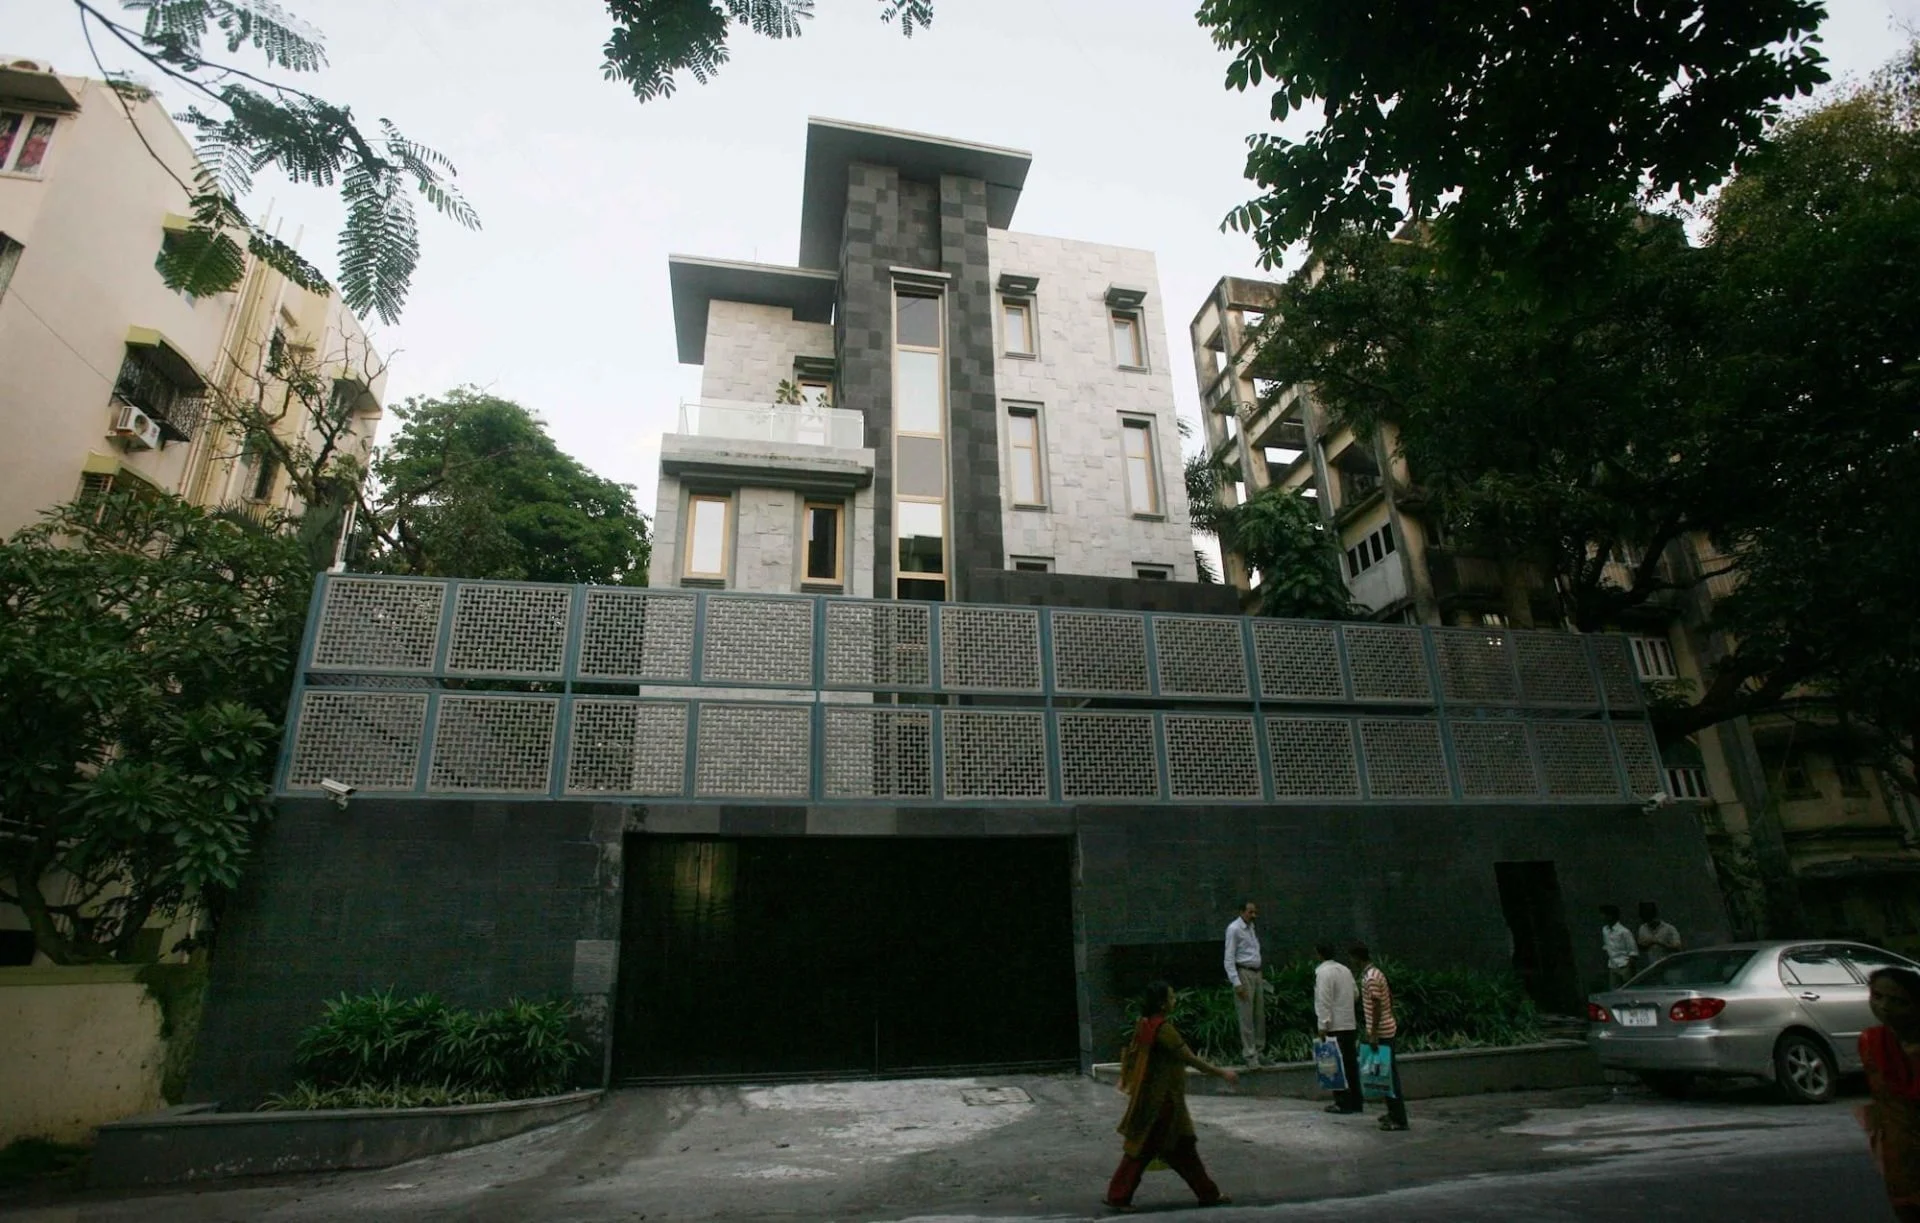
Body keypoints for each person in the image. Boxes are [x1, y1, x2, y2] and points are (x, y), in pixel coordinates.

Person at [1106, 980, 1237, 1212]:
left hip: (1154, 1099)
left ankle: (1207, 1193)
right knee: (1146, 1149)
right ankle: (1118, 1197)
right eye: (1171, 997)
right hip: (1163, 1103)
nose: (1174, 1000)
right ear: (1162, 1004)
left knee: (1179, 1149)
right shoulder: (1163, 1029)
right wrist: (1222, 1073)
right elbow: (1190, 1058)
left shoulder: (1144, 1025)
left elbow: (1134, 1057)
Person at [1861, 965, 1920, 1222]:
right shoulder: (1871, 1041)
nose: (1885, 1007)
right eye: (1877, 996)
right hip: (1899, 1148)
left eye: (1898, 1001)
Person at [1351, 942, 1410, 1132]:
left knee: (1389, 1075)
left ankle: (1399, 1119)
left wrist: (1374, 1033)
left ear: (1357, 958)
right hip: (1385, 1028)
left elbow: (1376, 1004)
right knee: (1384, 1074)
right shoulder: (1376, 973)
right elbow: (1388, 998)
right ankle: (1392, 1112)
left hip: (1382, 1032)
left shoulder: (1370, 977)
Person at [1313, 941, 1362, 1114]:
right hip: (1349, 1023)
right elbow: (1355, 994)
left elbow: (1323, 1000)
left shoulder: (1323, 973)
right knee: (1350, 1064)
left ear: (1318, 954)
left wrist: (1323, 1024)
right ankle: (1356, 1101)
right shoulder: (1345, 970)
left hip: (1334, 1025)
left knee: (1336, 1066)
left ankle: (1342, 1102)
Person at [1224, 901, 1264, 1067]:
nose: (1253, 915)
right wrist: (1236, 982)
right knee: (1246, 1016)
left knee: (1259, 1015)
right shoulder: (1234, 929)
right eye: (1250, 912)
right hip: (1244, 973)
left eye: (1255, 912)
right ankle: (1250, 1055)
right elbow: (1228, 958)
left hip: (1256, 973)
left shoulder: (1251, 927)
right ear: (1241, 912)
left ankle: (1259, 1052)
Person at [1600, 905, 1639, 989]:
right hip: (1612, 966)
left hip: (1624, 965)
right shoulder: (1605, 930)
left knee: (1629, 989)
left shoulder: (1624, 932)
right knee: (1614, 990)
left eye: (1605, 915)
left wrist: (1628, 967)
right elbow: (1606, 946)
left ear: (1611, 916)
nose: (1603, 917)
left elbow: (1633, 952)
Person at [1635, 902, 1683, 966]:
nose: (1649, 923)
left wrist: (1659, 943)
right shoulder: (1642, 928)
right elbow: (1641, 947)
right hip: (1653, 966)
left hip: (1669, 966)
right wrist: (1648, 944)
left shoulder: (1669, 929)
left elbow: (1678, 948)